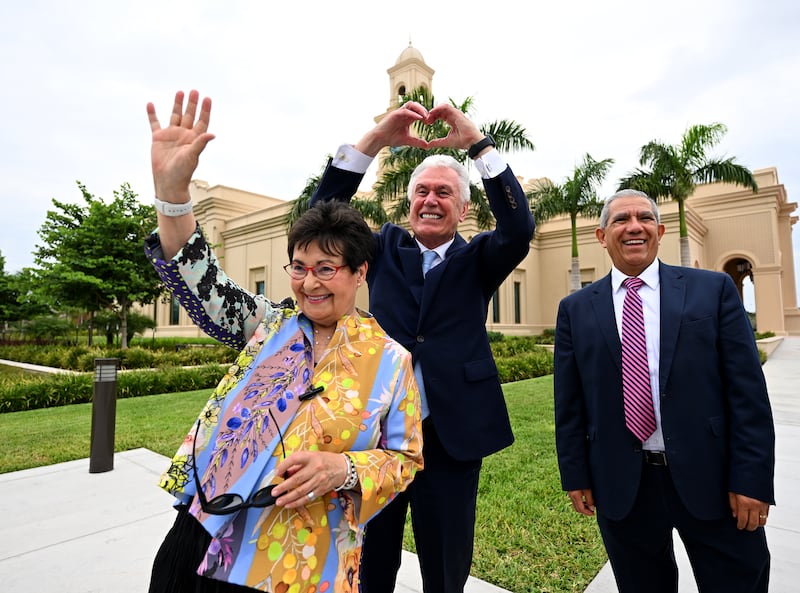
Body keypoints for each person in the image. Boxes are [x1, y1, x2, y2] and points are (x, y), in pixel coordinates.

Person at [143, 90, 423, 593]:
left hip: (304, 560)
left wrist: (343, 468)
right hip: (208, 531)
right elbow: (199, 276)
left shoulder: (390, 360)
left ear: (360, 272)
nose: (309, 282)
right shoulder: (267, 327)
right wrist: (172, 195)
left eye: (326, 269)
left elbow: (404, 460)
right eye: (299, 267)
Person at [310, 101, 535, 593]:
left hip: (452, 436)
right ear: (409, 203)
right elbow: (320, 219)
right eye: (423, 192)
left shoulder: (481, 258)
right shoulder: (384, 248)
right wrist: (374, 140)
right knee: (371, 565)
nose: (431, 200)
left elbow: (519, 228)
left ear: (464, 207)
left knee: (445, 566)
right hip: (377, 436)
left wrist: (477, 142)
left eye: (445, 193)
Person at [553, 188, 775, 592]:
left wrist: (752, 480)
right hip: (623, 485)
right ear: (602, 236)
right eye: (620, 219)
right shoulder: (576, 308)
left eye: (644, 218)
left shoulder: (713, 291)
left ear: (660, 230)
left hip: (715, 479)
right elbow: (569, 403)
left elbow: (748, 396)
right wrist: (575, 474)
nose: (633, 226)